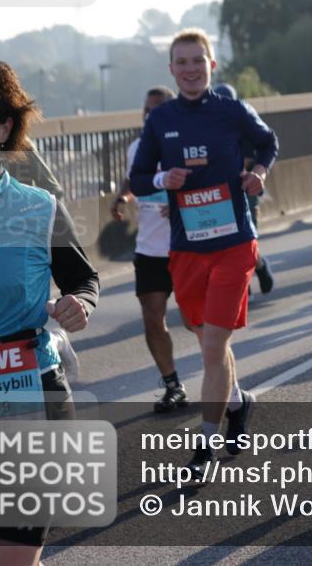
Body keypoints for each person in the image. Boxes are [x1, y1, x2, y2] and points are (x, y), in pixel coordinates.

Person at [0, 58, 99, 566]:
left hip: (34, 398)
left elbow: (83, 278)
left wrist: (79, 303)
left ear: (5, 127)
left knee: (8, 560)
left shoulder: (39, 208)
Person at [129, 28, 279, 473]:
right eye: (182, 62)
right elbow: (138, 179)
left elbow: (268, 142)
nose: (191, 69)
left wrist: (259, 172)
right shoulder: (160, 120)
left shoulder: (232, 111)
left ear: (211, 66)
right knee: (206, 339)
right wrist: (162, 180)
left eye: (199, 60)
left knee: (213, 345)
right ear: (171, 69)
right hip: (186, 250)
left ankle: (204, 447)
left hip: (234, 244)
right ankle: (237, 402)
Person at [110, 85, 188, 411]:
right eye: (146, 110)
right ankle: (173, 385)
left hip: (187, 246)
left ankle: (227, 387)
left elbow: (209, 183)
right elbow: (134, 179)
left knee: (200, 323)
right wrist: (123, 198)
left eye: (156, 110)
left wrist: (182, 205)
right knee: (153, 320)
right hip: (149, 249)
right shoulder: (136, 147)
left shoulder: (184, 144)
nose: (149, 115)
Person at [213, 83, 275, 295]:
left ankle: (260, 266)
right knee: (224, 243)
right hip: (219, 194)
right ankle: (242, 284)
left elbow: (258, 153)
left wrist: (247, 170)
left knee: (247, 242)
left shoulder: (244, 123)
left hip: (244, 190)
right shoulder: (209, 126)